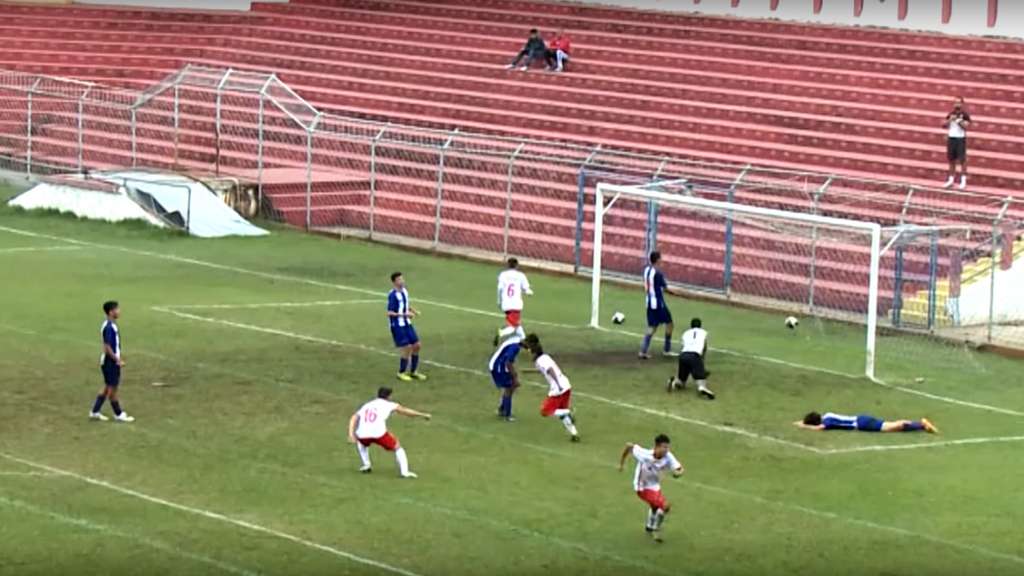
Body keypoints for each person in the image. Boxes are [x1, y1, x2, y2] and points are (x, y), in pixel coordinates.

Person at [348, 387, 431, 478]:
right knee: (398, 447)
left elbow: (354, 417)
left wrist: (351, 434)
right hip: (378, 433)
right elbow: (405, 411)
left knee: (362, 443)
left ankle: (366, 465)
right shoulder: (389, 404)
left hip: (362, 434)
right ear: (388, 396)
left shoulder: (367, 405)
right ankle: (405, 472)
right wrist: (422, 415)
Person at [618, 434, 684, 543]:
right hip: (642, 487)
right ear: (657, 446)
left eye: (667, 447)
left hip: (654, 486)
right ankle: (656, 529)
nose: (666, 450)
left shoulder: (668, 456)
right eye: (664, 447)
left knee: (654, 507)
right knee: (665, 506)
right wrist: (621, 464)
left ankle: (649, 526)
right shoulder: (644, 454)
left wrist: (678, 473)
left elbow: (680, 469)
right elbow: (629, 446)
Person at [523, 333, 579, 442]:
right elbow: (545, 370)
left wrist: (557, 384)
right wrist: (529, 371)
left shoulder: (540, 360)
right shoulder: (545, 357)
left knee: (545, 411)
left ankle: (568, 412)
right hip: (566, 385)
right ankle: (574, 433)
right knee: (561, 412)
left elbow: (550, 370)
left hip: (558, 388)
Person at [89, 301, 135, 423]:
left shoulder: (109, 325)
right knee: (112, 389)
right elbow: (107, 346)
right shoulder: (109, 327)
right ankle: (118, 413)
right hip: (110, 362)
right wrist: (117, 360)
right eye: (117, 309)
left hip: (108, 361)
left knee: (107, 386)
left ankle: (95, 411)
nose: (119, 311)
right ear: (111, 312)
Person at [387, 272, 427, 382]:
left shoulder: (405, 291)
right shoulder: (393, 295)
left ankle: (413, 372)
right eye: (399, 279)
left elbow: (405, 305)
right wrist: (405, 314)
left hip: (407, 323)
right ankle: (401, 372)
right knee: (407, 347)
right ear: (394, 282)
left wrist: (413, 311)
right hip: (397, 325)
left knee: (417, 345)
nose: (402, 281)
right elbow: (390, 312)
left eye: (402, 279)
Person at [639, 251, 676, 359]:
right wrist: (675, 293)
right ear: (658, 260)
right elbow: (665, 288)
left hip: (649, 303)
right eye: (661, 258)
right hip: (659, 304)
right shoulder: (658, 273)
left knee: (652, 326)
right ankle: (667, 349)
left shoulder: (646, 270)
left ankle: (643, 351)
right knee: (669, 324)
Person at [668, 318, 715, 400]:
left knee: (682, 381)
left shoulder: (686, 333)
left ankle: (674, 382)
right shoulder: (703, 332)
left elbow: (683, 346)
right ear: (700, 326)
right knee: (701, 377)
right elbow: (704, 347)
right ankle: (702, 387)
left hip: (683, 355)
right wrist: (701, 360)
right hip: (694, 355)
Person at [495, 257, 533, 344]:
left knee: (516, 323)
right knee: (513, 327)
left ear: (508, 265)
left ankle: (524, 339)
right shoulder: (521, 275)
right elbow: (526, 289)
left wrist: (499, 301)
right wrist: (529, 292)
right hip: (515, 304)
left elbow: (499, 288)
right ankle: (501, 333)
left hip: (506, 304)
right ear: (517, 265)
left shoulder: (503, 275)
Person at [794, 412, 938, 433]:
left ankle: (921, 424)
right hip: (861, 418)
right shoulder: (827, 414)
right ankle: (920, 424)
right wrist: (800, 422)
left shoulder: (828, 422)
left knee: (893, 427)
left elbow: (819, 428)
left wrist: (804, 426)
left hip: (862, 424)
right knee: (891, 425)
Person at [489, 334, 522, 421]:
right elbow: (508, 362)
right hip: (498, 366)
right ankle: (507, 415)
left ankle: (502, 409)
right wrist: (515, 378)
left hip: (499, 364)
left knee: (511, 387)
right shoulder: (516, 347)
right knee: (509, 387)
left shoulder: (513, 341)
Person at [942, 96, 972, 190]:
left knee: (962, 161)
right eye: (955, 103)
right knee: (951, 160)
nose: (957, 105)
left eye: (958, 103)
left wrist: (959, 121)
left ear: (962, 104)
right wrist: (950, 120)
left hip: (960, 139)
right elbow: (943, 125)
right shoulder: (951, 114)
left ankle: (963, 181)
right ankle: (951, 180)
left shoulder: (965, 114)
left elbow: (966, 126)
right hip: (951, 138)